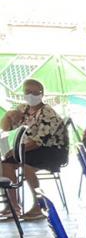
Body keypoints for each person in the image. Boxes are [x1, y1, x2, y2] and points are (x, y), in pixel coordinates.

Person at [1, 79, 69, 220]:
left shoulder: (48, 113)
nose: (31, 95)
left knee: (25, 164)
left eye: (35, 92)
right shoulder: (24, 110)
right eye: (28, 92)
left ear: (42, 94)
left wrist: (16, 151)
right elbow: (6, 127)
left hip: (52, 150)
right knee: (6, 163)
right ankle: (13, 206)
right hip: (30, 149)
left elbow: (38, 142)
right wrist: (8, 115)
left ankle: (39, 205)